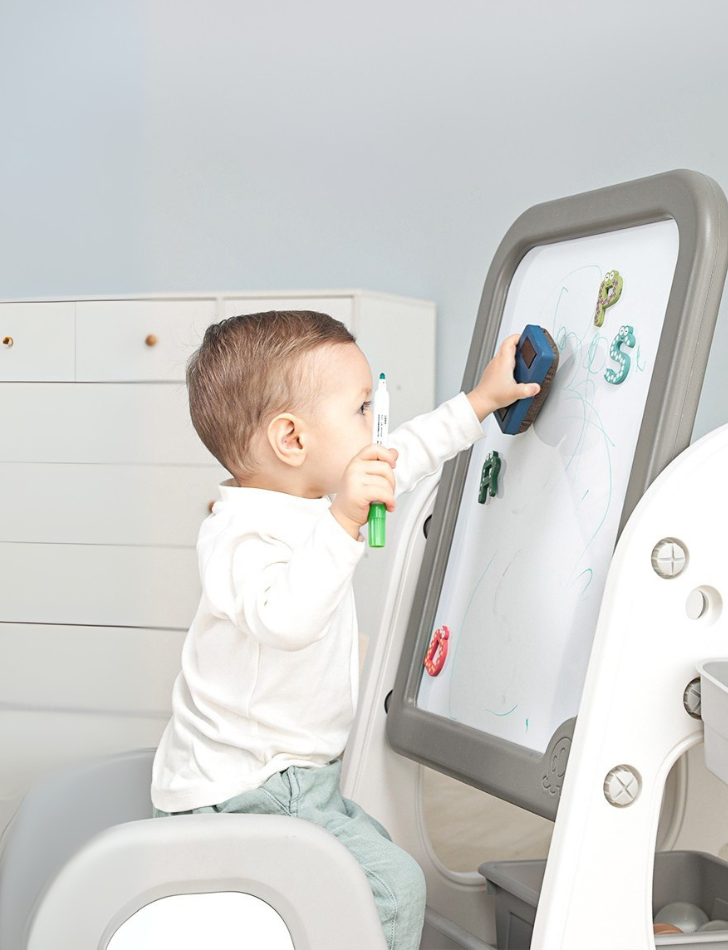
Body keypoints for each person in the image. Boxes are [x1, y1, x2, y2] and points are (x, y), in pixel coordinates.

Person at [151, 310, 538, 950]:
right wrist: (342, 520)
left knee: (367, 855)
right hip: (248, 789)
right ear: (292, 440)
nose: (375, 424)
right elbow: (288, 619)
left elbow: (403, 454)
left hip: (296, 777)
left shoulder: (311, 497)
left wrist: (480, 403)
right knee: (391, 888)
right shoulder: (238, 534)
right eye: (362, 410)